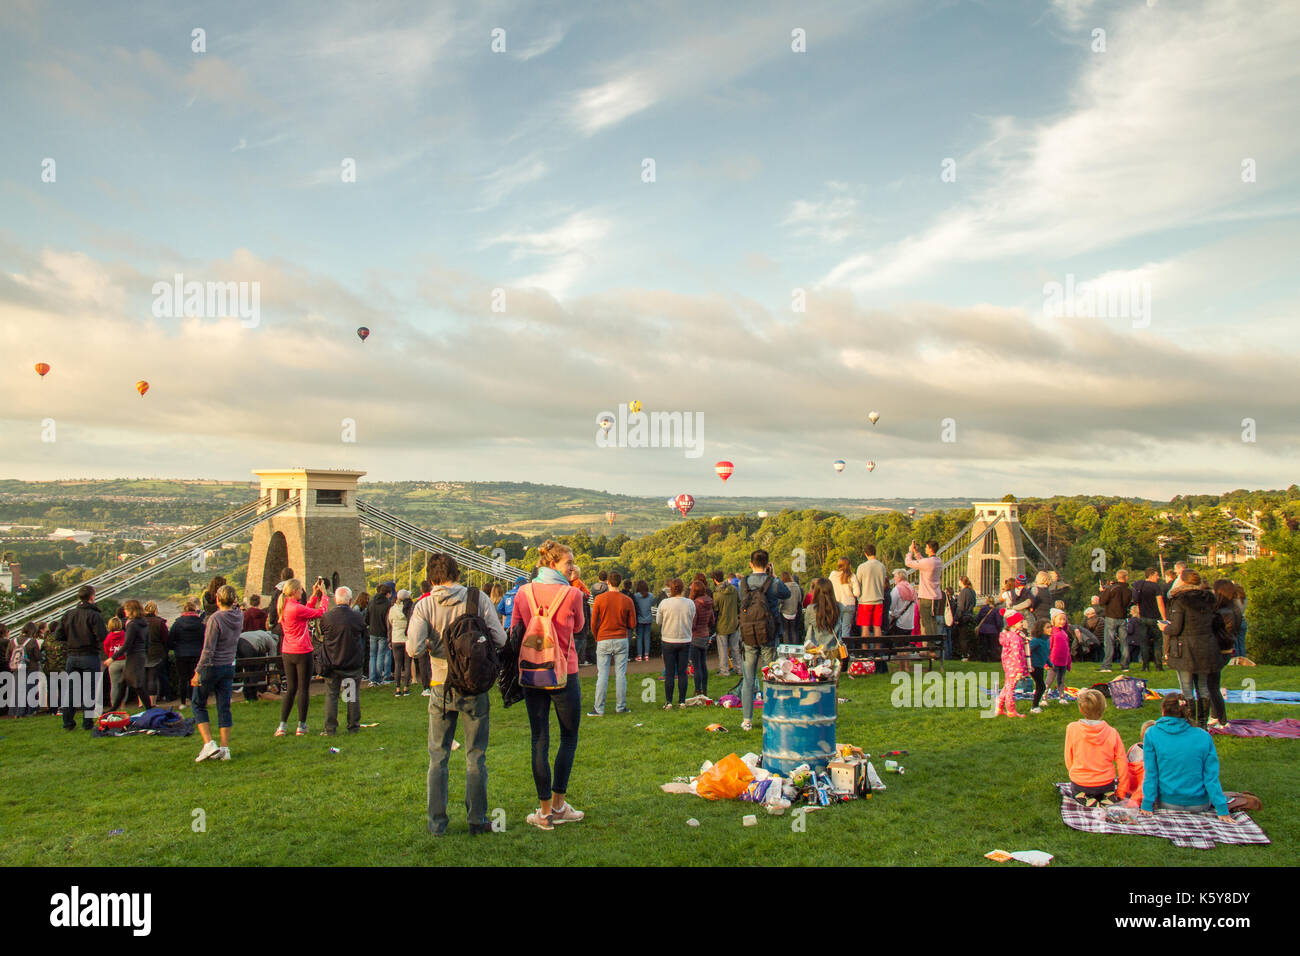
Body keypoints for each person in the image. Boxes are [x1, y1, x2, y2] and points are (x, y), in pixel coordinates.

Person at [408, 552, 510, 836]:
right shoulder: (478, 600)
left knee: (438, 756)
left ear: (431, 578)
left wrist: (434, 644)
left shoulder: (425, 605)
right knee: (476, 755)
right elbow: (501, 640)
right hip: (475, 686)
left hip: (441, 685)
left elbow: (413, 649)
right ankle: (477, 820)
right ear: (458, 573)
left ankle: (437, 823)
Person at [509, 541, 586, 832]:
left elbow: (515, 628)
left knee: (539, 739)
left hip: (532, 672)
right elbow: (578, 628)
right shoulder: (573, 594)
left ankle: (543, 813)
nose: (572, 567)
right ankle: (558, 804)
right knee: (568, 738)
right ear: (555, 564)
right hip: (565, 672)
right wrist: (572, 584)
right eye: (569, 563)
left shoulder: (523, 592)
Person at [1141, 694, 1231, 820]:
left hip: (1167, 803)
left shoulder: (1151, 733)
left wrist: (1147, 804)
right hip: (1199, 804)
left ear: (1163, 711)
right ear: (1186, 711)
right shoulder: (1204, 736)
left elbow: (1151, 773)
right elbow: (1211, 777)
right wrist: (1222, 809)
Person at [1160, 570, 1223, 730]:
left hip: (1185, 649)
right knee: (1203, 687)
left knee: (1187, 688)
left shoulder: (1180, 600)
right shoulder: (1209, 598)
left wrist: (1164, 628)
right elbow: (1217, 623)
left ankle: (1190, 723)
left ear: (1182, 581)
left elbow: (1176, 628)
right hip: (1206, 647)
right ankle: (1202, 725)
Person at [738, 550, 789, 732]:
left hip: (749, 633)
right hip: (768, 633)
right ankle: (771, 714)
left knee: (748, 678)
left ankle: (747, 719)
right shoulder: (773, 583)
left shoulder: (743, 583)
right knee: (770, 676)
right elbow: (786, 593)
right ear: (768, 564)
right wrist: (773, 575)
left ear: (751, 564)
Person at [192, 584, 242, 762]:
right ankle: (225, 748)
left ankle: (209, 744)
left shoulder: (215, 619)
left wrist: (198, 672)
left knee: (197, 703)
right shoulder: (239, 616)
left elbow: (208, 650)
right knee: (224, 707)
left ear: (218, 599)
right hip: (229, 665)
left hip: (213, 666)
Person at [275, 578, 328, 737]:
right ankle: (301, 725)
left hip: (288, 651)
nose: (302, 592)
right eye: (300, 590)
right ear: (294, 591)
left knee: (291, 689)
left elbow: (305, 611)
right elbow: (320, 613)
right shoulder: (295, 608)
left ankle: (282, 725)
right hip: (302, 651)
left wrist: (313, 596)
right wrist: (324, 596)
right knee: (303, 689)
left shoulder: (286, 607)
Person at [1064, 688, 1130, 806]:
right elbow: (1122, 762)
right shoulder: (1112, 732)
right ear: (1104, 708)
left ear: (1080, 708)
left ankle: (1086, 799)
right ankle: (1107, 798)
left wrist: (1075, 773)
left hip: (1080, 783)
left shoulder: (1072, 728)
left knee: (1079, 792)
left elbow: (1068, 757)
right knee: (1107, 792)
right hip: (1105, 783)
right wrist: (1122, 790)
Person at [56, 584, 106, 731]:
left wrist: (72, 639)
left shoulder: (68, 614)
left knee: (71, 690)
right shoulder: (94, 615)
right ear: (92, 597)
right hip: (90, 656)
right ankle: (87, 723)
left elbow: (58, 635)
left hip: (72, 656)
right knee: (89, 691)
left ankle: (68, 723)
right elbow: (102, 636)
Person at [318, 586, 366, 736]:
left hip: (332, 661)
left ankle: (330, 728)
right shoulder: (357, 617)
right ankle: (353, 726)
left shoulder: (327, 617)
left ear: (335, 600)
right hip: (351, 661)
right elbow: (363, 634)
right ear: (350, 600)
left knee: (332, 695)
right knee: (351, 695)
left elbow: (322, 633)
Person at [589, 571, 635, 716]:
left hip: (603, 638)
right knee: (621, 673)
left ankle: (599, 708)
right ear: (620, 582)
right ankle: (620, 707)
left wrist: (597, 637)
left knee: (602, 674)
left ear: (607, 582)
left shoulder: (599, 599)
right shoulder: (627, 600)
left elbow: (593, 623)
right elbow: (632, 623)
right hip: (621, 638)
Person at [657, 578, 695, 709]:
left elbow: (658, 621)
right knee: (682, 672)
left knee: (669, 672)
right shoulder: (689, 603)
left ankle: (669, 702)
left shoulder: (664, 603)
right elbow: (692, 618)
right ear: (683, 588)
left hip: (668, 639)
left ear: (671, 589)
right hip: (685, 639)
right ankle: (682, 701)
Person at [115, 600, 152, 710]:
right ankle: (114, 708)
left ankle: (149, 709)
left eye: (126, 609)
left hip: (133, 656)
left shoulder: (132, 624)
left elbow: (127, 644)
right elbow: (147, 642)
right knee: (124, 682)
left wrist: (113, 658)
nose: (125, 611)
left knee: (137, 685)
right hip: (140, 655)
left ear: (131, 610)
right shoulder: (144, 623)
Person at [993, 610, 1029, 718]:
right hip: (1014, 665)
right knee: (1010, 688)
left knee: (1007, 686)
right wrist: (1019, 670)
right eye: (1020, 622)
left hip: (1008, 664)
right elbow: (1016, 654)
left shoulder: (1008, 635)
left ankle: (999, 707)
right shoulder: (1015, 638)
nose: (1022, 624)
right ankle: (1011, 709)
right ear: (1013, 624)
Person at [170, 600, 205, 710]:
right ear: (194, 610)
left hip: (181, 653)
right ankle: (194, 699)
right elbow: (205, 639)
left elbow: (171, 640)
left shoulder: (177, 624)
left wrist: (175, 647)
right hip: (196, 653)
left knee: (182, 678)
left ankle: (183, 702)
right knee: (194, 677)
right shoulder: (200, 624)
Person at [1098, 570, 1133, 672]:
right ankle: (1125, 665)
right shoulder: (1129, 590)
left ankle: (1107, 665)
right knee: (1124, 642)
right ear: (1126, 577)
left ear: (1117, 577)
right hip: (1122, 617)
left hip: (1111, 616)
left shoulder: (1112, 588)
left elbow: (1102, 602)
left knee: (1109, 642)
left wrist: (1102, 592)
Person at [904, 540, 942, 634]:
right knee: (933, 621)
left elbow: (908, 563)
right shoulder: (938, 561)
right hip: (936, 596)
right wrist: (916, 552)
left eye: (926, 547)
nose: (925, 548)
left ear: (930, 549)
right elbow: (924, 562)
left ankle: (929, 645)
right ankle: (935, 643)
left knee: (925, 622)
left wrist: (910, 552)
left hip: (926, 597)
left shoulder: (928, 562)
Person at [1130, 568, 1164, 671]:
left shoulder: (1140, 586)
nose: (1158, 577)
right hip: (1155, 617)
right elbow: (1160, 603)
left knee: (1144, 642)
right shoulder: (1155, 587)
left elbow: (1138, 603)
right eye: (1157, 575)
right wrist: (1164, 618)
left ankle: (1145, 666)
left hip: (1143, 617)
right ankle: (1158, 665)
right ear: (1151, 575)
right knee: (1158, 641)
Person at [804, 577, 844, 658]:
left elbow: (807, 627)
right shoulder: (840, 607)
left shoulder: (811, 609)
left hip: (815, 650)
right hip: (834, 650)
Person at [139, 600, 171, 702]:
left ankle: (143, 700)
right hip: (158, 652)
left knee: (144, 678)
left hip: (143, 652)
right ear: (156, 610)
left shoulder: (139, 622)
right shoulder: (160, 622)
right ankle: (166, 696)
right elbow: (166, 638)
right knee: (161, 675)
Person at [710, 570, 740, 676]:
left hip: (722, 625)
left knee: (722, 650)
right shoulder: (733, 589)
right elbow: (739, 604)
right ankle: (739, 668)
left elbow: (715, 610)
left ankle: (724, 670)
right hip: (734, 622)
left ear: (714, 580)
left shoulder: (717, 594)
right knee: (735, 648)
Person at [688, 579, 716, 697]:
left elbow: (693, 624)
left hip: (696, 636)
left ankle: (698, 690)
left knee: (696, 665)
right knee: (703, 664)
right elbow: (712, 621)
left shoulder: (695, 604)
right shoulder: (709, 602)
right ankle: (705, 689)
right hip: (705, 635)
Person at [854, 545, 888, 638]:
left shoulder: (862, 567)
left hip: (865, 601)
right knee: (877, 627)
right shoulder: (882, 566)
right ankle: (878, 649)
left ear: (865, 554)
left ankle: (865, 650)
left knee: (865, 627)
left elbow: (858, 583)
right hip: (879, 599)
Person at [388, 588, 414, 698]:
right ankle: (406, 688)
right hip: (407, 638)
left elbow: (390, 623)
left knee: (398, 665)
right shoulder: (409, 609)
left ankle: (397, 688)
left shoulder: (393, 609)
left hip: (396, 638)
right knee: (407, 664)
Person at [366, 584, 392, 685]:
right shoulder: (388, 604)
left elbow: (367, 617)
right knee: (380, 655)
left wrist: (369, 625)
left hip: (372, 631)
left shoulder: (371, 602)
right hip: (383, 632)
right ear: (387, 593)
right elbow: (388, 620)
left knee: (372, 656)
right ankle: (378, 678)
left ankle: (372, 679)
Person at [829, 558, 860, 641]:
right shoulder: (852, 576)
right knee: (846, 629)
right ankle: (844, 649)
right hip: (849, 604)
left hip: (837, 603)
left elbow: (828, 587)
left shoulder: (833, 575)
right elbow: (857, 593)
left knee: (836, 628)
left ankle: (837, 648)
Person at [1047, 608, 1072, 703]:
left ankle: (1062, 697)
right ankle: (1043, 697)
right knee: (1049, 681)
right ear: (1053, 620)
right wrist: (1047, 663)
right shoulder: (1052, 633)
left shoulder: (1064, 633)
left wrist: (1068, 663)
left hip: (1063, 662)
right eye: (1060, 619)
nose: (1062, 621)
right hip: (1053, 662)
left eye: (1064, 619)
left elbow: (1067, 650)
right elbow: (1048, 648)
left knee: (1061, 681)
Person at [102, 617, 126, 711]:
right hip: (125, 661)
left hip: (113, 662)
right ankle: (122, 705)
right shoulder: (125, 634)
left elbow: (106, 648)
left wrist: (111, 657)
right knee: (124, 685)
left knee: (114, 685)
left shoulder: (108, 637)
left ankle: (114, 705)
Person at [1028, 620, 1050, 714]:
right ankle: (1034, 706)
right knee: (1041, 686)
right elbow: (1027, 652)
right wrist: (1029, 665)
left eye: (1051, 627)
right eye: (1048, 627)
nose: (1051, 629)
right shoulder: (1036, 641)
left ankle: (1036, 704)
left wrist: (1049, 663)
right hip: (1034, 667)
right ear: (1040, 629)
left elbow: (1045, 655)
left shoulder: (1046, 641)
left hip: (1040, 666)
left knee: (1040, 686)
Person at [264, 567, 295, 633]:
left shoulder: (278, 590)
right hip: (296, 624)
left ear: (282, 576)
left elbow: (273, 608)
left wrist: (271, 623)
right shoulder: (299, 590)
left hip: (280, 624)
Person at [886, 570, 916, 635]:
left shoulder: (897, 589)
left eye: (895, 576)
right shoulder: (912, 588)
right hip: (910, 623)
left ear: (899, 578)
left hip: (900, 623)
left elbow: (891, 607)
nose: (894, 578)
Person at [632, 580, 654, 662]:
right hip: (648, 619)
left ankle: (639, 655)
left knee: (639, 637)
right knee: (647, 637)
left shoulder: (636, 596)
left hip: (639, 619)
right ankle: (647, 655)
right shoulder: (651, 596)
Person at [956, 576, 977, 660]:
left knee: (962, 638)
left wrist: (957, 618)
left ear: (961, 582)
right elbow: (974, 603)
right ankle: (970, 654)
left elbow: (960, 607)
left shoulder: (963, 592)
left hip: (963, 617)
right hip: (970, 615)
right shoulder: (972, 591)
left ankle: (964, 655)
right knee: (968, 637)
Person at [975, 597, 1001, 663]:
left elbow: (977, 619)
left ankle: (983, 659)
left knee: (984, 646)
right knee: (993, 647)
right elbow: (998, 622)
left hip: (983, 630)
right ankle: (993, 659)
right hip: (993, 630)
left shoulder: (982, 609)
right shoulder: (995, 610)